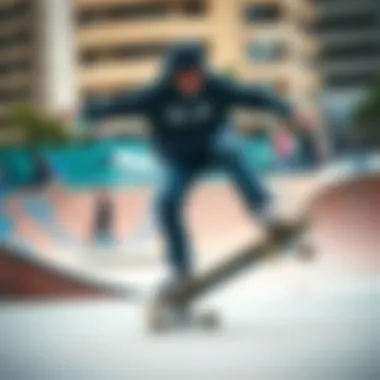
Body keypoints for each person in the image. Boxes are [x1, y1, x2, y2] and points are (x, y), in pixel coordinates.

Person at [83, 42, 316, 293]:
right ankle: (181, 270)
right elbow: (120, 105)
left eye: (195, 76)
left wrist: (290, 110)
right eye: (184, 77)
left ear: (203, 72)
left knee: (229, 149)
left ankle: (265, 214)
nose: (191, 82)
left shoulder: (216, 87)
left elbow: (254, 97)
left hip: (214, 146)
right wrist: (83, 110)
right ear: (172, 75)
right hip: (181, 160)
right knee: (166, 202)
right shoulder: (157, 96)